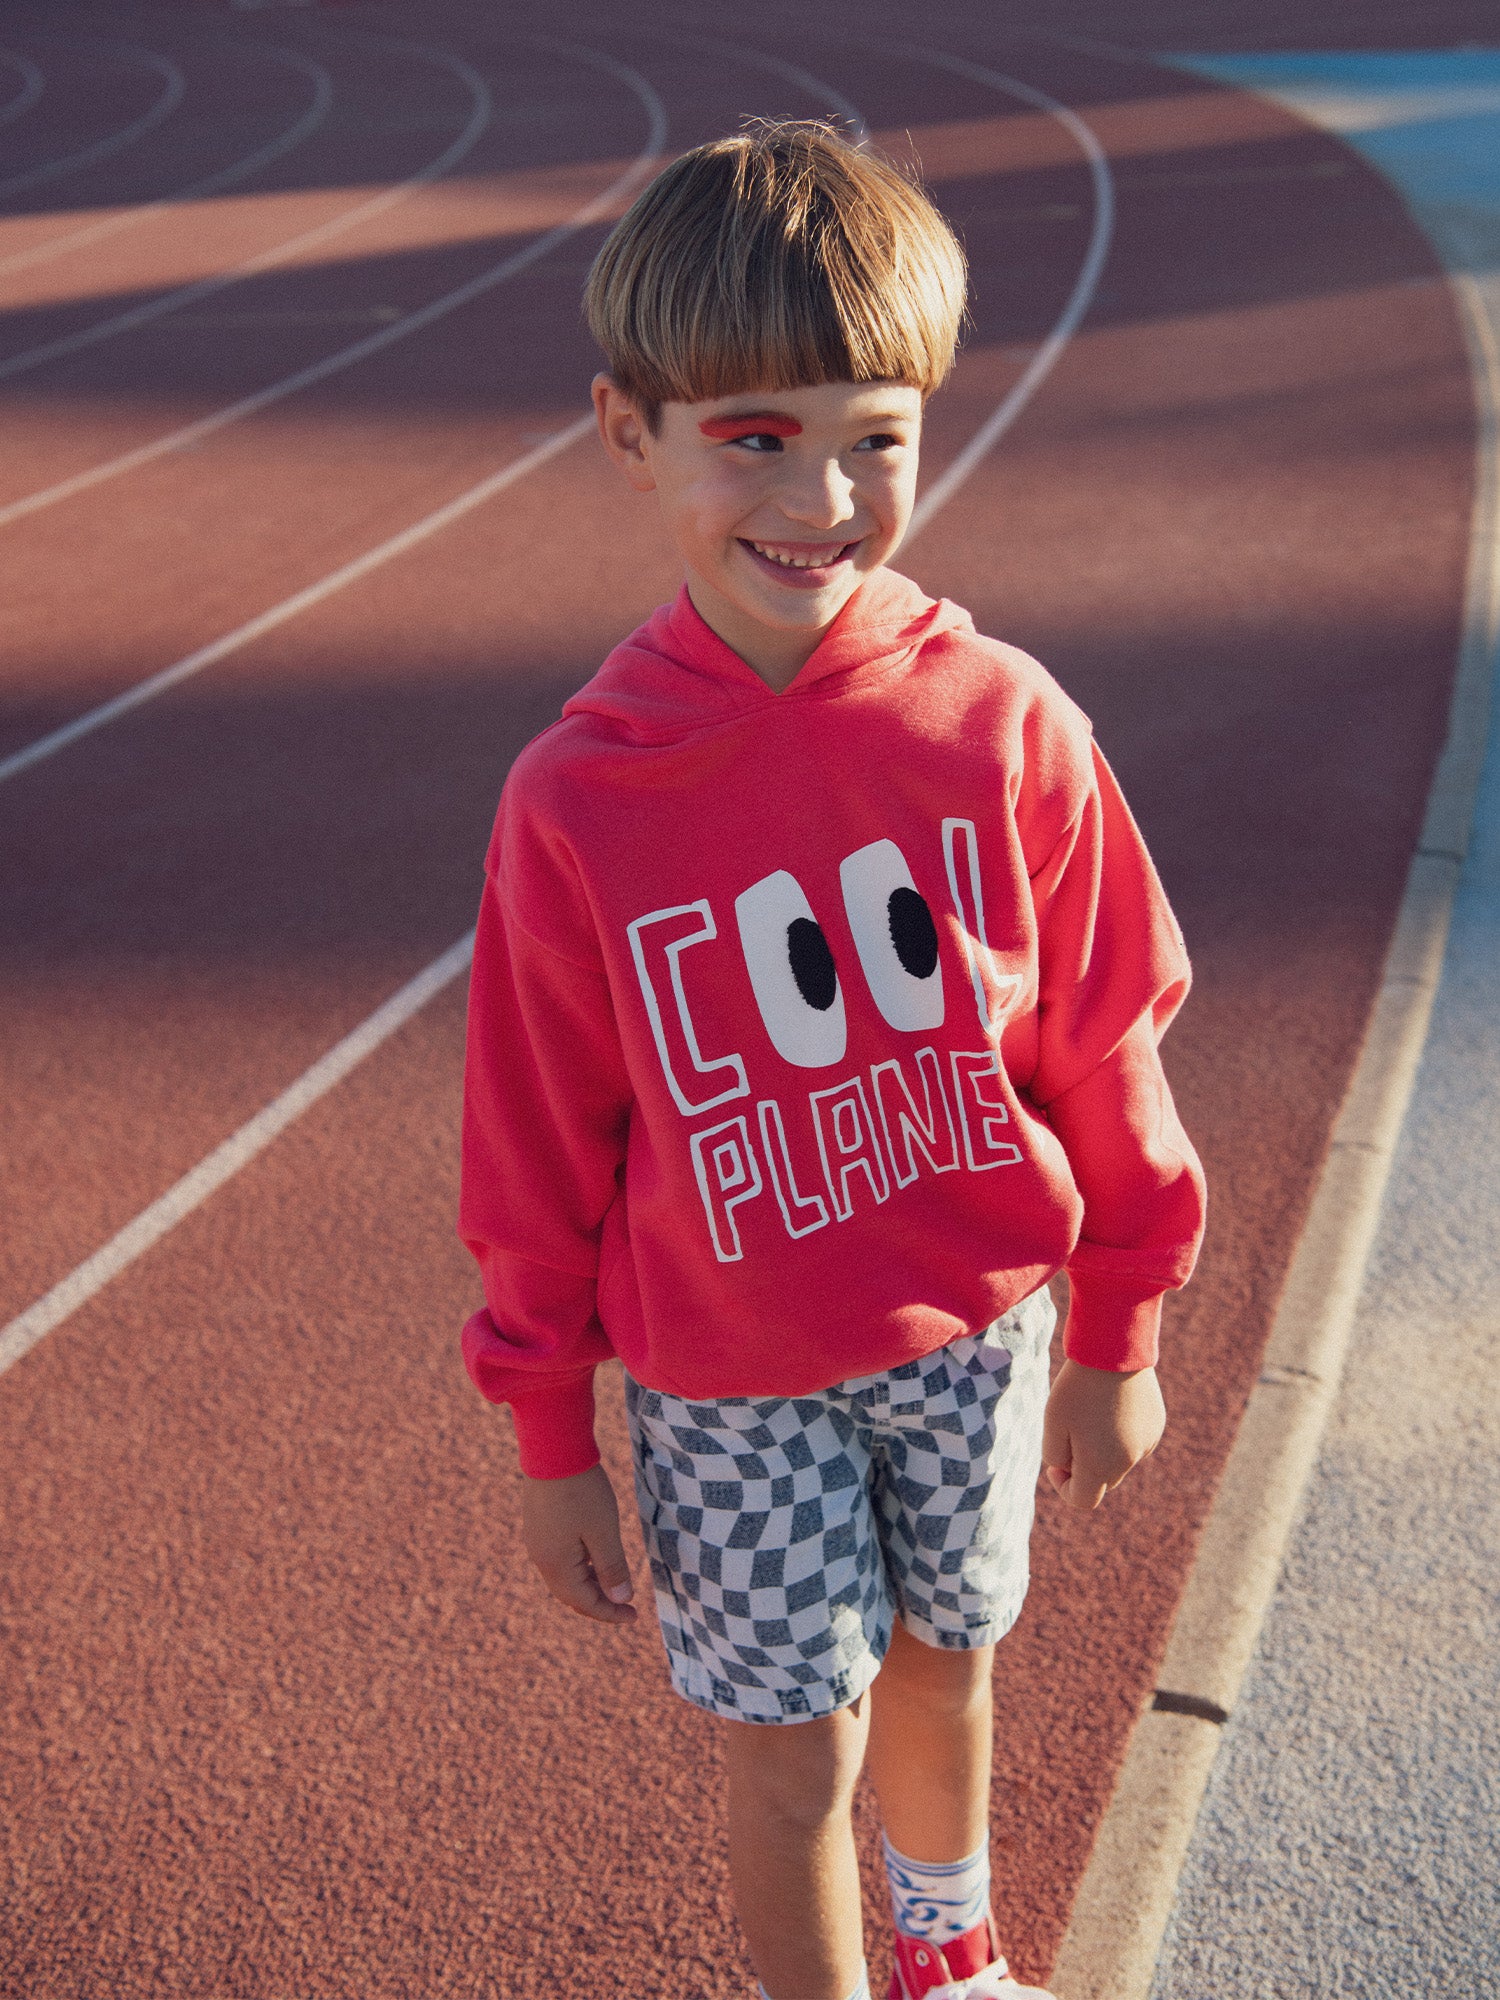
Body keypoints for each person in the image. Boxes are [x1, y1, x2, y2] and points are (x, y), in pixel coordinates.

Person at [458, 120, 1205, 2000]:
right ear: (629, 433)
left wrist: (1122, 1324)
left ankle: (952, 1958)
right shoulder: (579, 801)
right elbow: (538, 1140)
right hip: (731, 1384)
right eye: (754, 439)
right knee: (795, 1752)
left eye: (876, 436)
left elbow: (1105, 1032)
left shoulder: (1008, 723)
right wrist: (552, 1428)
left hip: (976, 1339)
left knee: (952, 1670)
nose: (823, 496)